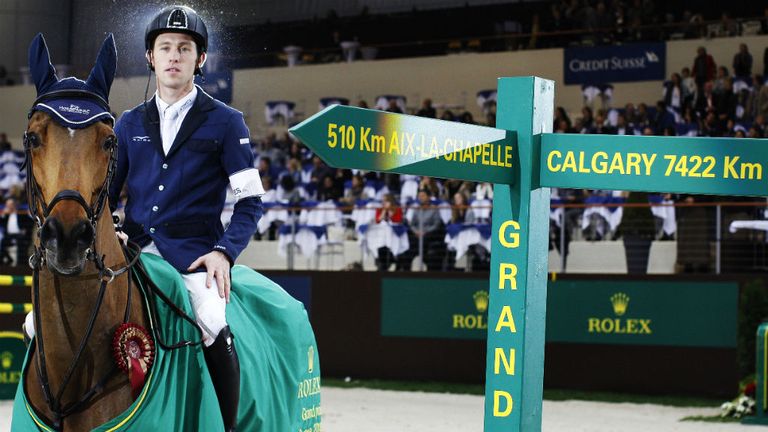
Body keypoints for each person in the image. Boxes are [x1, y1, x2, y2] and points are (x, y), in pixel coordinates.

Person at [108, 6, 264, 431]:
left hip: (193, 259)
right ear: (150, 58)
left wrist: (224, 253)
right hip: (134, 254)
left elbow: (250, 202)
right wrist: (113, 232)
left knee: (213, 322)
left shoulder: (227, 122)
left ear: (200, 59)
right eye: (165, 48)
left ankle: (227, 425)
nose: (173, 56)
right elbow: (103, 198)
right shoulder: (127, 124)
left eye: (184, 48)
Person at [0, 198, 33, 266]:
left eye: (9, 205)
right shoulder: (7, 214)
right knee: (2, 242)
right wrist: (3, 214)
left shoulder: (21, 213)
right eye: (7, 205)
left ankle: (21, 264)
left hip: (20, 235)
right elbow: (2, 222)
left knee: (21, 243)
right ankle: (8, 260)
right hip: (9, 236)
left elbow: (30, 222)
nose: (7, 206)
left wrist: (25, 229)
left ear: (14, 205)